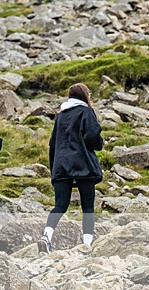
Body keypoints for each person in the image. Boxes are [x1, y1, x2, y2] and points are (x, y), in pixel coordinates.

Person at [40, 83, 103, 253]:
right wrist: (99, 144)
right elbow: (93, 137)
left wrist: (54, 169)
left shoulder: (61, 116)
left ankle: (46, 236)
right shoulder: (86, 112)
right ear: (84, 95)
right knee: (87, 205)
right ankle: (87, 244)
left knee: (60, 204)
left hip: (61, 166)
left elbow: (53, 143)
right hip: (83, 165)